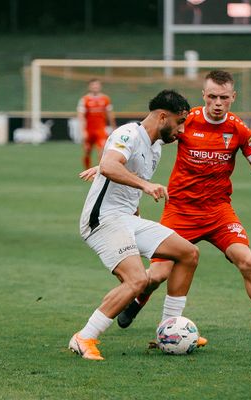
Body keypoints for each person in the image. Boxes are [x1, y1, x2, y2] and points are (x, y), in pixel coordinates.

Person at [116, 70, 251, 338]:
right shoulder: (186, 121)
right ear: (203, 95)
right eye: (212, 96)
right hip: (180, 210)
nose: (217, 102)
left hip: (218, 212)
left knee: (247, 261)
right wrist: (108, 162)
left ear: (232, 97)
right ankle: (137, 301)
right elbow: (144, 139)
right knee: (156, 275)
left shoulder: (238, 129)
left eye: (223, 97)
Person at [69, 89, 201, 361]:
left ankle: (169, 331)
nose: (182, 130)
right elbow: (110, 165)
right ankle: (84, 337)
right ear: (163, 116)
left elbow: (123, 178)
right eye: (179, 122)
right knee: (137, 280)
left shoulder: (154, 147)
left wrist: (137, 201)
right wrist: (144, 184)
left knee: (188, 253)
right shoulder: (128, 134)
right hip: (103, 220)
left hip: (128, 219)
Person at [77, 78, 116, 169]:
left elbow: (110, 114)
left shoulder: (105, 99)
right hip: (89, 130)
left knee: (102, 151)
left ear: (100, 86)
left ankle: (100, 173)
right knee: (87, 151)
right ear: (89, 87)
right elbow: (81, 116)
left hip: (100, 130)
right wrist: (83, 131)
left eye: (97, 85)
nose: (95, 87)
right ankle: (87, 171)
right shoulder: (84, 100)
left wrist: (114, 128)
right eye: (93, 85)